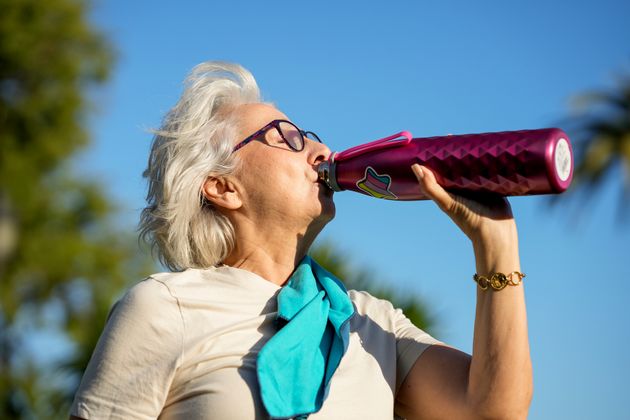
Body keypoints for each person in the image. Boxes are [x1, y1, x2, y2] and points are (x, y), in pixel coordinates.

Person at [70, 61, 533, 420]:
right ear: (222, 186)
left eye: (309, 135)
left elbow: (491, 409)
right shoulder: (163, 307)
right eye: (287, 138)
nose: (323, 151)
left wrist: (496, 244)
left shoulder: (370, 322)